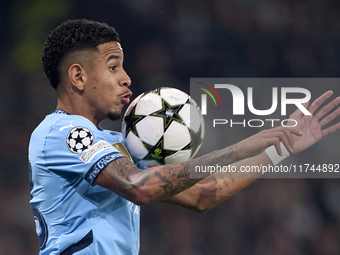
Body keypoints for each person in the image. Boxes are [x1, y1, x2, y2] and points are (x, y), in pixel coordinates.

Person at [28, 19, 340, 255]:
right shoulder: (61, 133)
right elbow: (140, 186)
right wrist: (241, 147)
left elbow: (203, 194)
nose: (126, 78)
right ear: (78, 76)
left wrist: (279, 149)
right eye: (113, 68)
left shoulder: (114, 144)